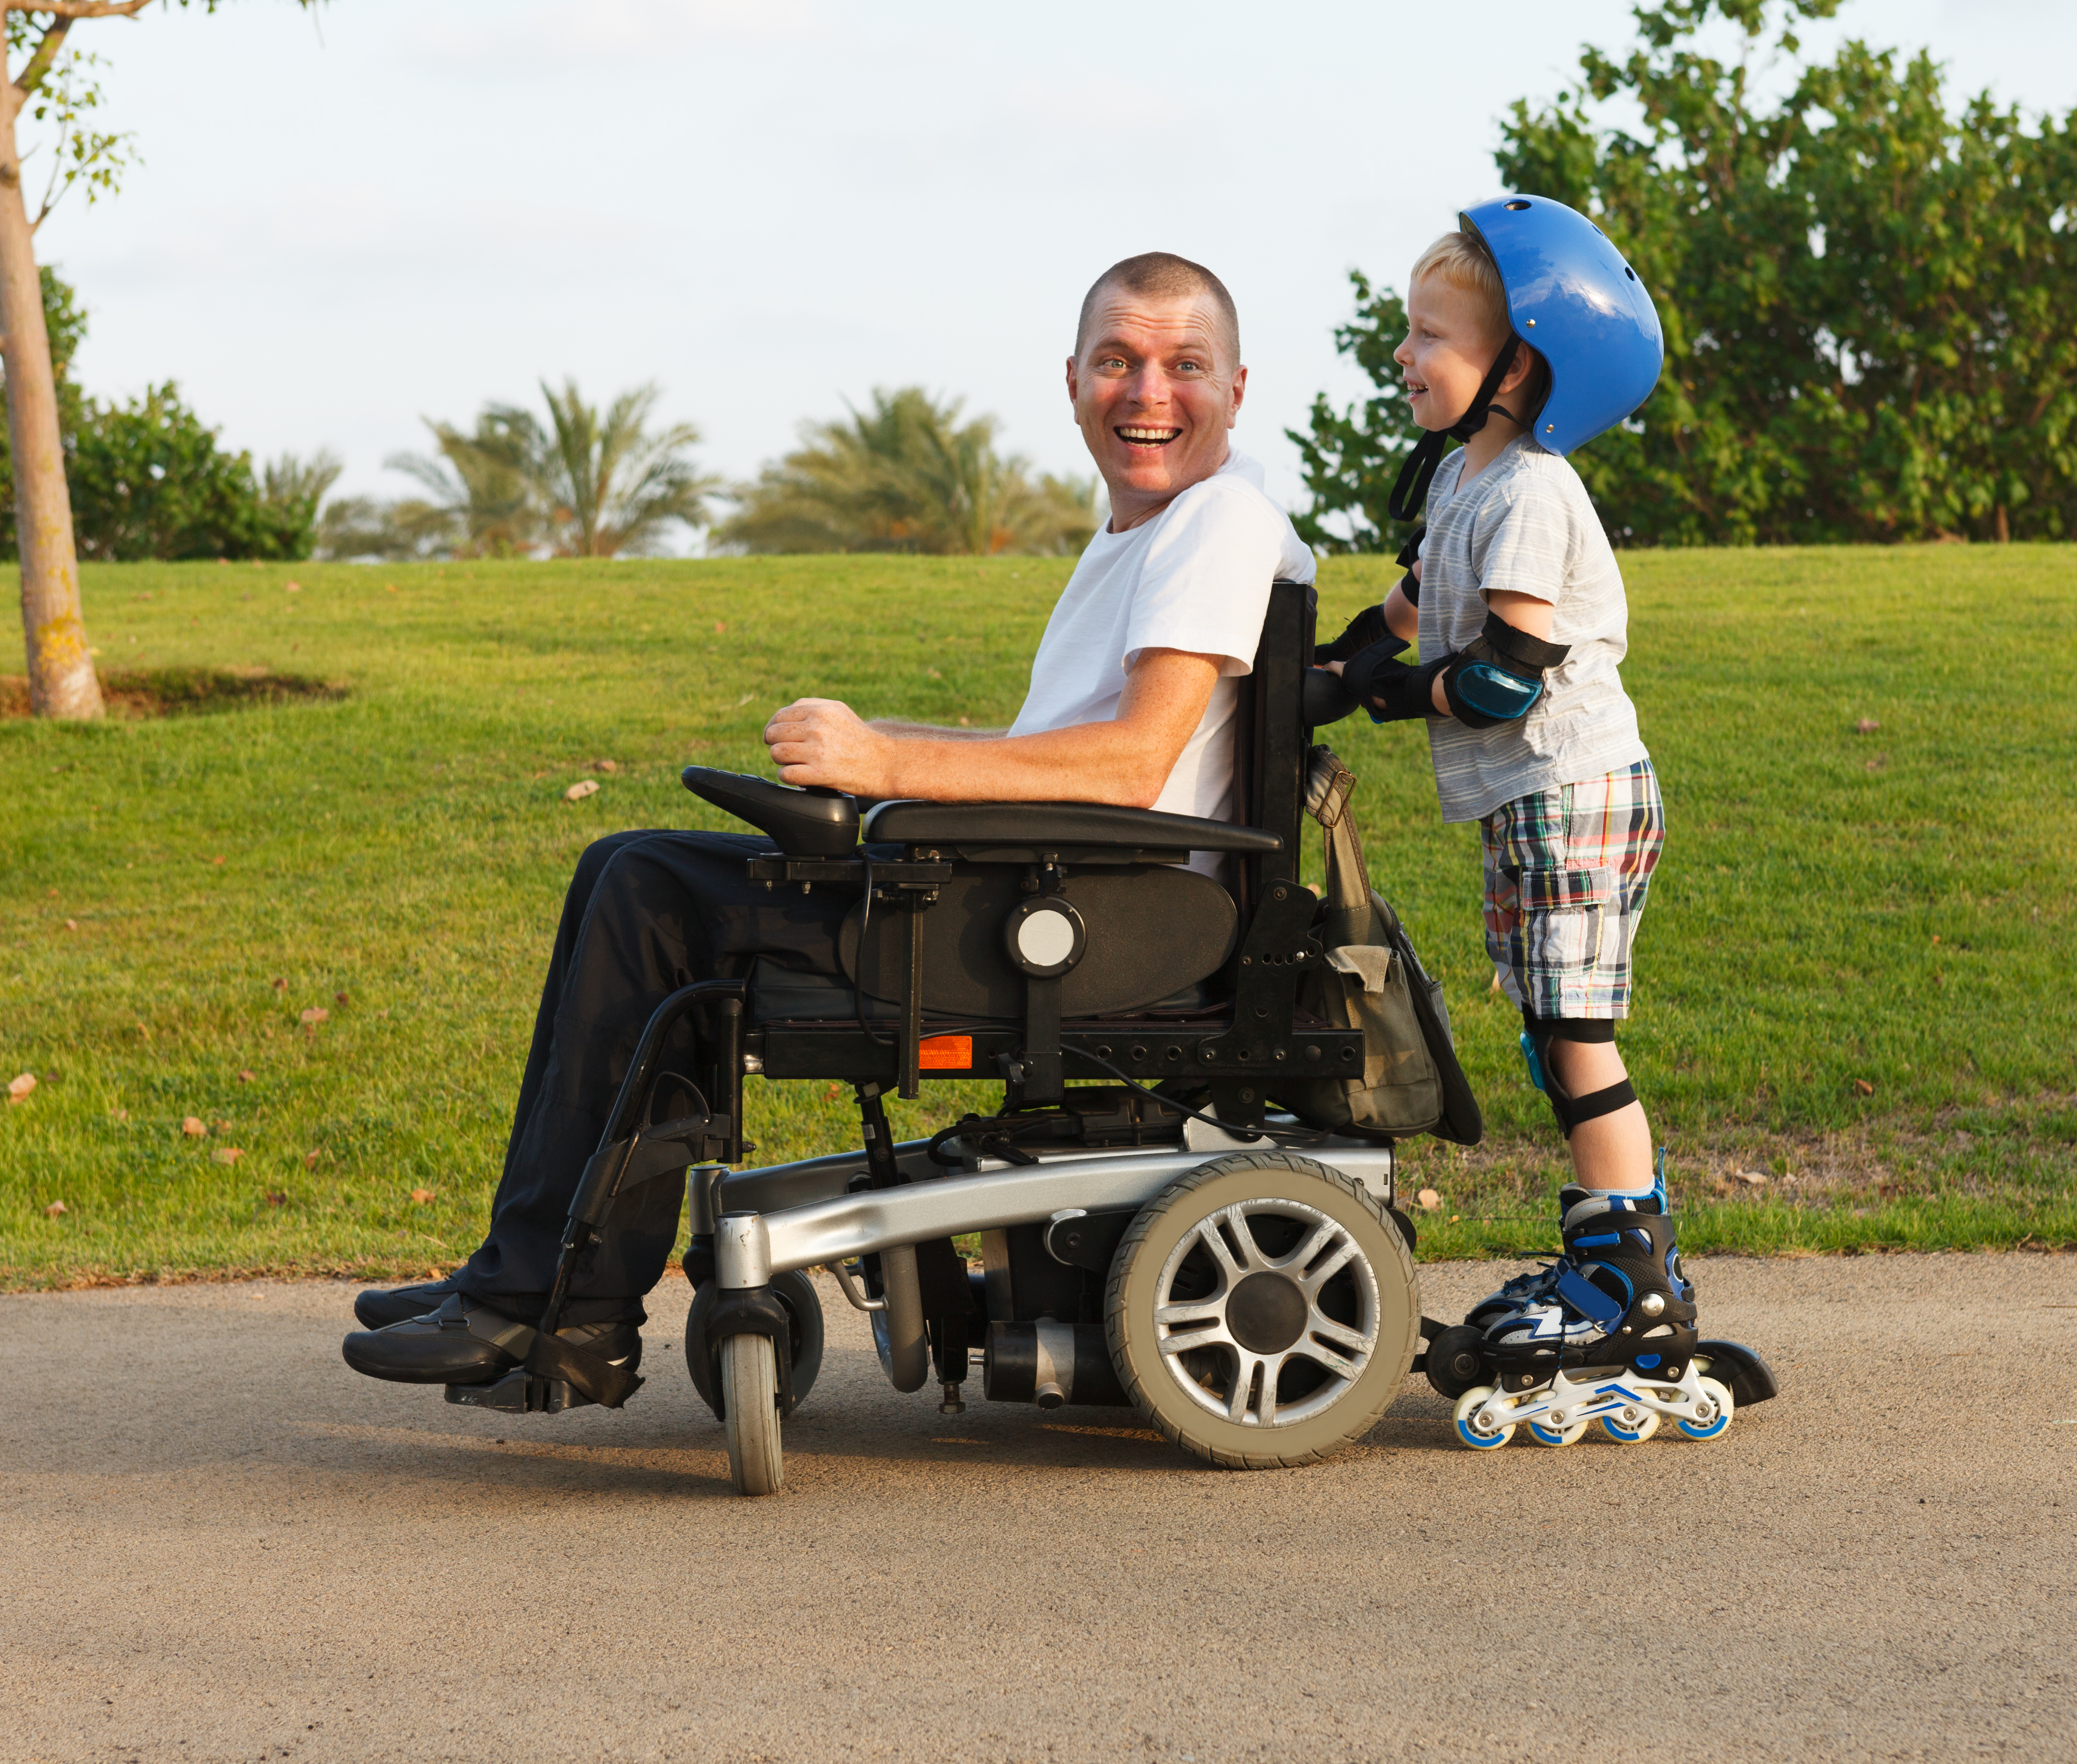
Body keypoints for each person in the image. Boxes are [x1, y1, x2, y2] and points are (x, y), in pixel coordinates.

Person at [342, 251, 1315, 1396]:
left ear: (1237, 390)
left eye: (1183, 365)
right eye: (1119, 361)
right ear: (1071, 380)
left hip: (1095, 929)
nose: (1148, 391)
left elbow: (1135, 759)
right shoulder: (1150, 534)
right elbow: (1046, 753)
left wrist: (888, 763)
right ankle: (526, 1280)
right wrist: (870, 752)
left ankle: (550, 1304)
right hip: (1057, 893)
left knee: (650, 894)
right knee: (628, 872)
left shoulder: (1216, 525)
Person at [1315, 198, 1694, 1383]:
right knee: (1553, 1033)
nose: (1405, 355)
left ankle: (1633, 1286)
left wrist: (1392, 698)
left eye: (1431, 334)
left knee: (1577, 1037)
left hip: (1571, 790)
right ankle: (1611, 1263)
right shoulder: (1466, 479)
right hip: (1537, 803)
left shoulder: (1533, 491)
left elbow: (1502, 678)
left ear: (1520, 368)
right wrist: (1318, 675)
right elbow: (1412, 612)